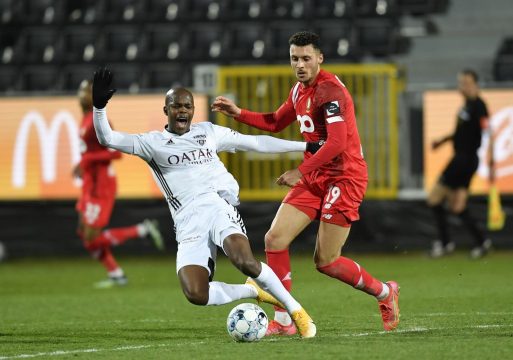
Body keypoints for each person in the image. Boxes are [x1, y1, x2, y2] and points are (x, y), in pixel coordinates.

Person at [91, 68, 320, 338]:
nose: (182, 111)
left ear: (193, 110)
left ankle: (296, 311)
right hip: (188, 222)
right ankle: (252, 290)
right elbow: (107, 138)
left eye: (187, 106)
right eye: (176, 106)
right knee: (196, 293)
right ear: (166, 110)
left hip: (217, 206)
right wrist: (99, 107)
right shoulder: (151, 143)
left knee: (244, 260)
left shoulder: (208, 132)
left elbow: (255, 142)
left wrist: (303, 147)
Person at [211, 31, 400, 336]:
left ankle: (384, 292)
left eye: (306, 58)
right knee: (274, 240)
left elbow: (337, 142)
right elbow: (275, 121)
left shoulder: (330, 91)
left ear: (319, 58)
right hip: (317, 174)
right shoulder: (300, 90)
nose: (299, 64)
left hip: (344, 176)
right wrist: (238, 113)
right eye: (294, 59)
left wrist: (301, 171)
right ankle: (284, 320)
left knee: (326, 261)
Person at [73, 79, 165, 289]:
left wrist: (87, 160)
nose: (82, 95)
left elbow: (115, 153)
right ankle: (116, 274)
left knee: (91, 238)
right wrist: (82, 163)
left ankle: (142, 230)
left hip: (101, 186)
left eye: (87, 91)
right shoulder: (84, 120)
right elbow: (88, 153)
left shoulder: (98, 121)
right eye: (81, 90)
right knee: (83, 232)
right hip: (89, 184)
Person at [427, 69, 492, 259]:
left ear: (475, 84)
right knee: (457, 207)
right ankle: (482, 242)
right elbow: (460, 133)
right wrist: (443, 141)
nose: (462, 86)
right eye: (461, 82)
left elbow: (488, 130)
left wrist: (493, 157)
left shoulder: (479, 106)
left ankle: (445, 243)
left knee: (433, 199)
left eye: (466, 82)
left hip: (464, 159)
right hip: (465, 159)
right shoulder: (467, 106)